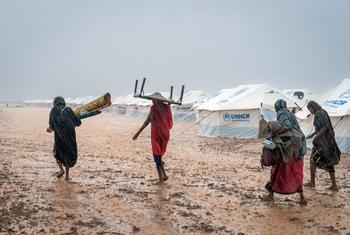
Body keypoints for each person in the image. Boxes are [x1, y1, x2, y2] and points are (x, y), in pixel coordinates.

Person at [261, 99, 307, 204]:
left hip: (290, 147)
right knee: (296, 171)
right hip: (298, 146)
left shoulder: (282, 114)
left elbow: (287, 126)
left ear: (277, 107)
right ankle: (302, 197)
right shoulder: (290, 114)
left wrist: (274, 133)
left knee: (277, 169)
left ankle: (270, 195)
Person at [133, 94, 173, 183]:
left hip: (156, 136)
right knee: (159, 156)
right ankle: (165, 175)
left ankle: (160, 179)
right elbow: (168, 119)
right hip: (165, 135)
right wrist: (169, 105)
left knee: (157, 157)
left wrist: (137, 133)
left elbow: (147, 121)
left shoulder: (154, 109)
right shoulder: (166, 108)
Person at [304, 101, 341, 191]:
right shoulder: (323, 112)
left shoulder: (318, 114)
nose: (310, 112)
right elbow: (321, 128)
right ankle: (334, 185)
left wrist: (316, 137)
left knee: (313, 160)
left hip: (322, 143)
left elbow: (325, 127)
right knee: (329, 162)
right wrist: (313, 134)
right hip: (327, 142)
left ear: (313, 107)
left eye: (310, 109)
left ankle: (312, 182)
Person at [47, 97, 81, 180]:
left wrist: (49, 129)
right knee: (68, 155)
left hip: (59, 138)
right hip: (70, 137)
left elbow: (52, 126)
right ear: (63, 102)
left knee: (57, 153)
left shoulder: (53, 111)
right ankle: (67, 176)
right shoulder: (68, 110)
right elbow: (78, 123)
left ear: (55, 103)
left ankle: (61, 170)